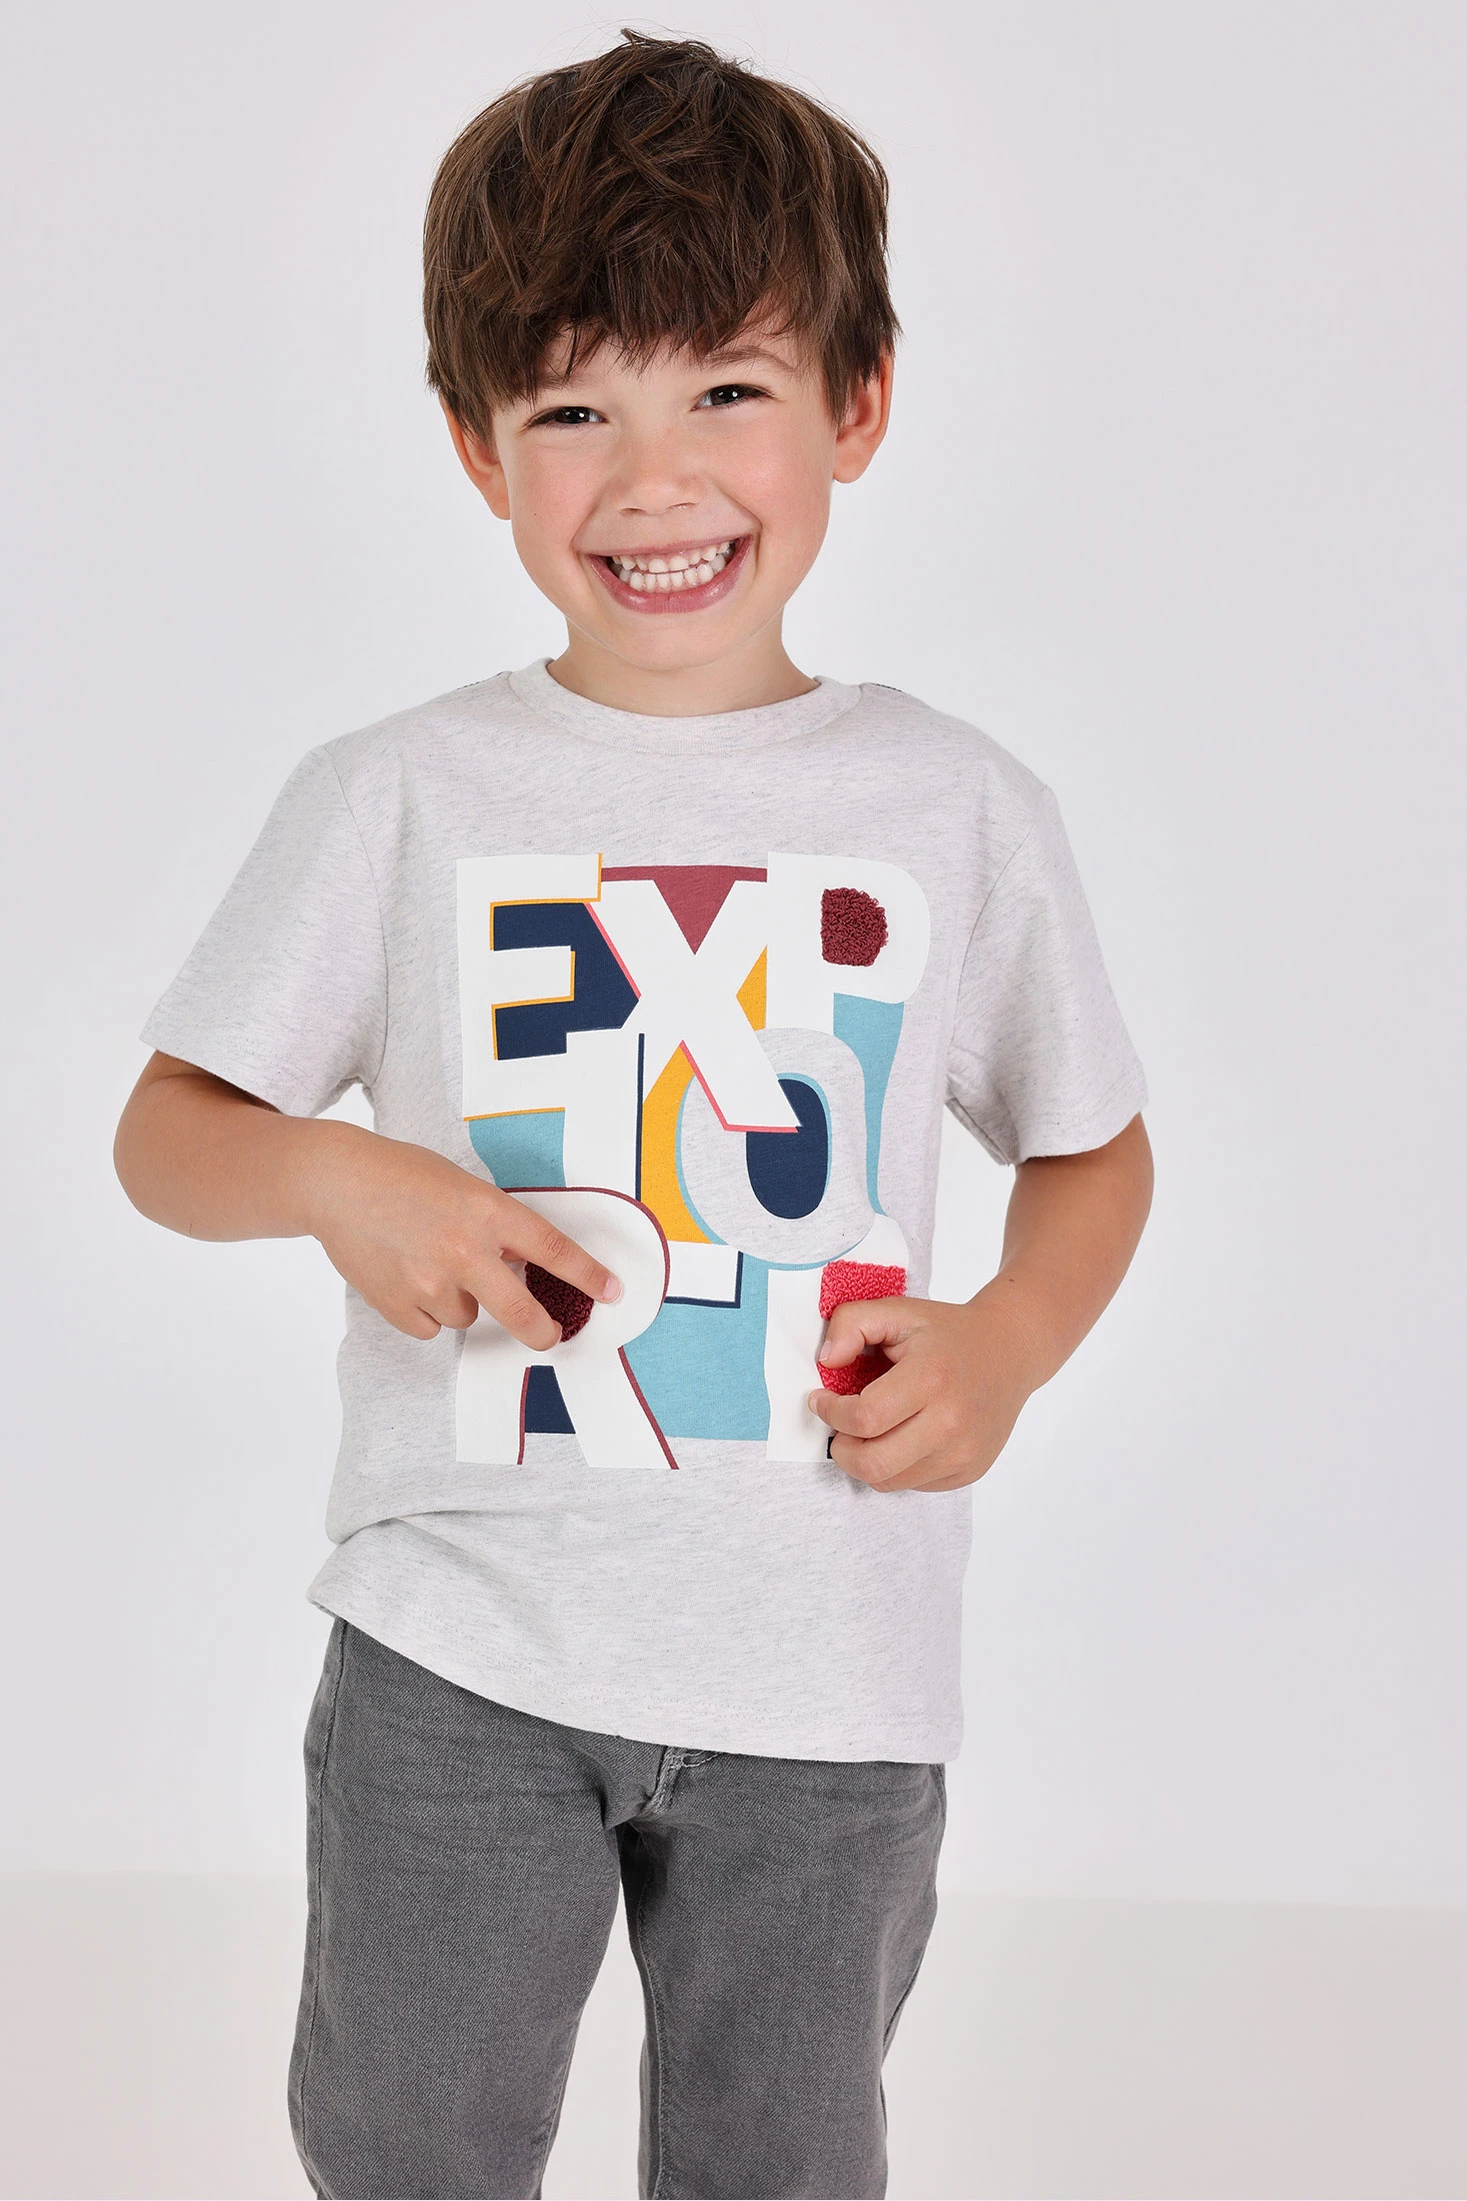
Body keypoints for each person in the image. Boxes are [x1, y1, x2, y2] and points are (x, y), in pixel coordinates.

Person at [114, 29, 1154, 2201]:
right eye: (574, 410)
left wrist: (1009, 1338)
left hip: (833, 1663)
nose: (653, 479)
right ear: (478, 450)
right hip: (461, 1636)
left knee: (783, 2155)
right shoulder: (399, 792)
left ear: (857, 405)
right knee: (405, 2132)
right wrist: (333, 1172)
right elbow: (172, 1132)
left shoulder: (954, 801)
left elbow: (1089, 1143)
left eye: (728, 391)